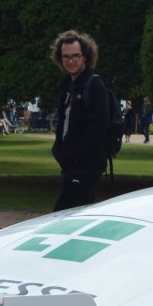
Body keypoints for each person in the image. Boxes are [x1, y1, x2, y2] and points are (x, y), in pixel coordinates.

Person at [49, 29, 110, 210]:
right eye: (66, 57)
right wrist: (59, 150)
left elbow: (99, 128)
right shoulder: (68, 86)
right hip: (71, 164)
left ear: (85, 57)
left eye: (75, 56)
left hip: (86, 165)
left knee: (62, 215)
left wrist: (72, 154)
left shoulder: (95, 85)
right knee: (77, 214)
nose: (71, 61)